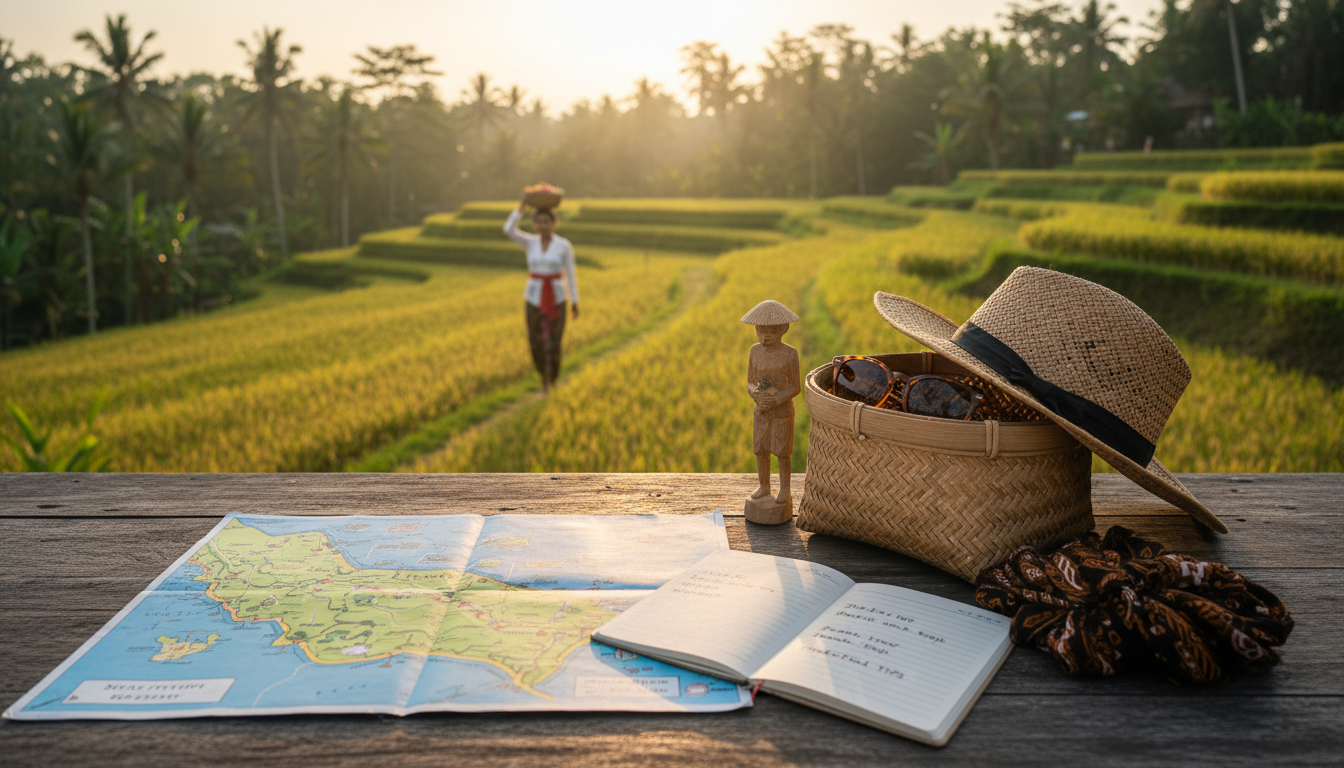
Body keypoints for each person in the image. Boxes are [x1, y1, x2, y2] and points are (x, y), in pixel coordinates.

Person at [504, 193, 580, 393]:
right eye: (539, 222)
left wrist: (575, 301)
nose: (543, 226)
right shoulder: (530, 243)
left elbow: (571, 274)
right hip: (533, 297)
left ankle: (552, 380)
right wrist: (521, 206)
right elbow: (508, 229)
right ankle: (543, 377)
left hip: (557, 298)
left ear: (554, 223)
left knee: (554, 343)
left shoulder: (564, 245)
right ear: (535, 224)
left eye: (547, 222)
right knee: (535, 341)